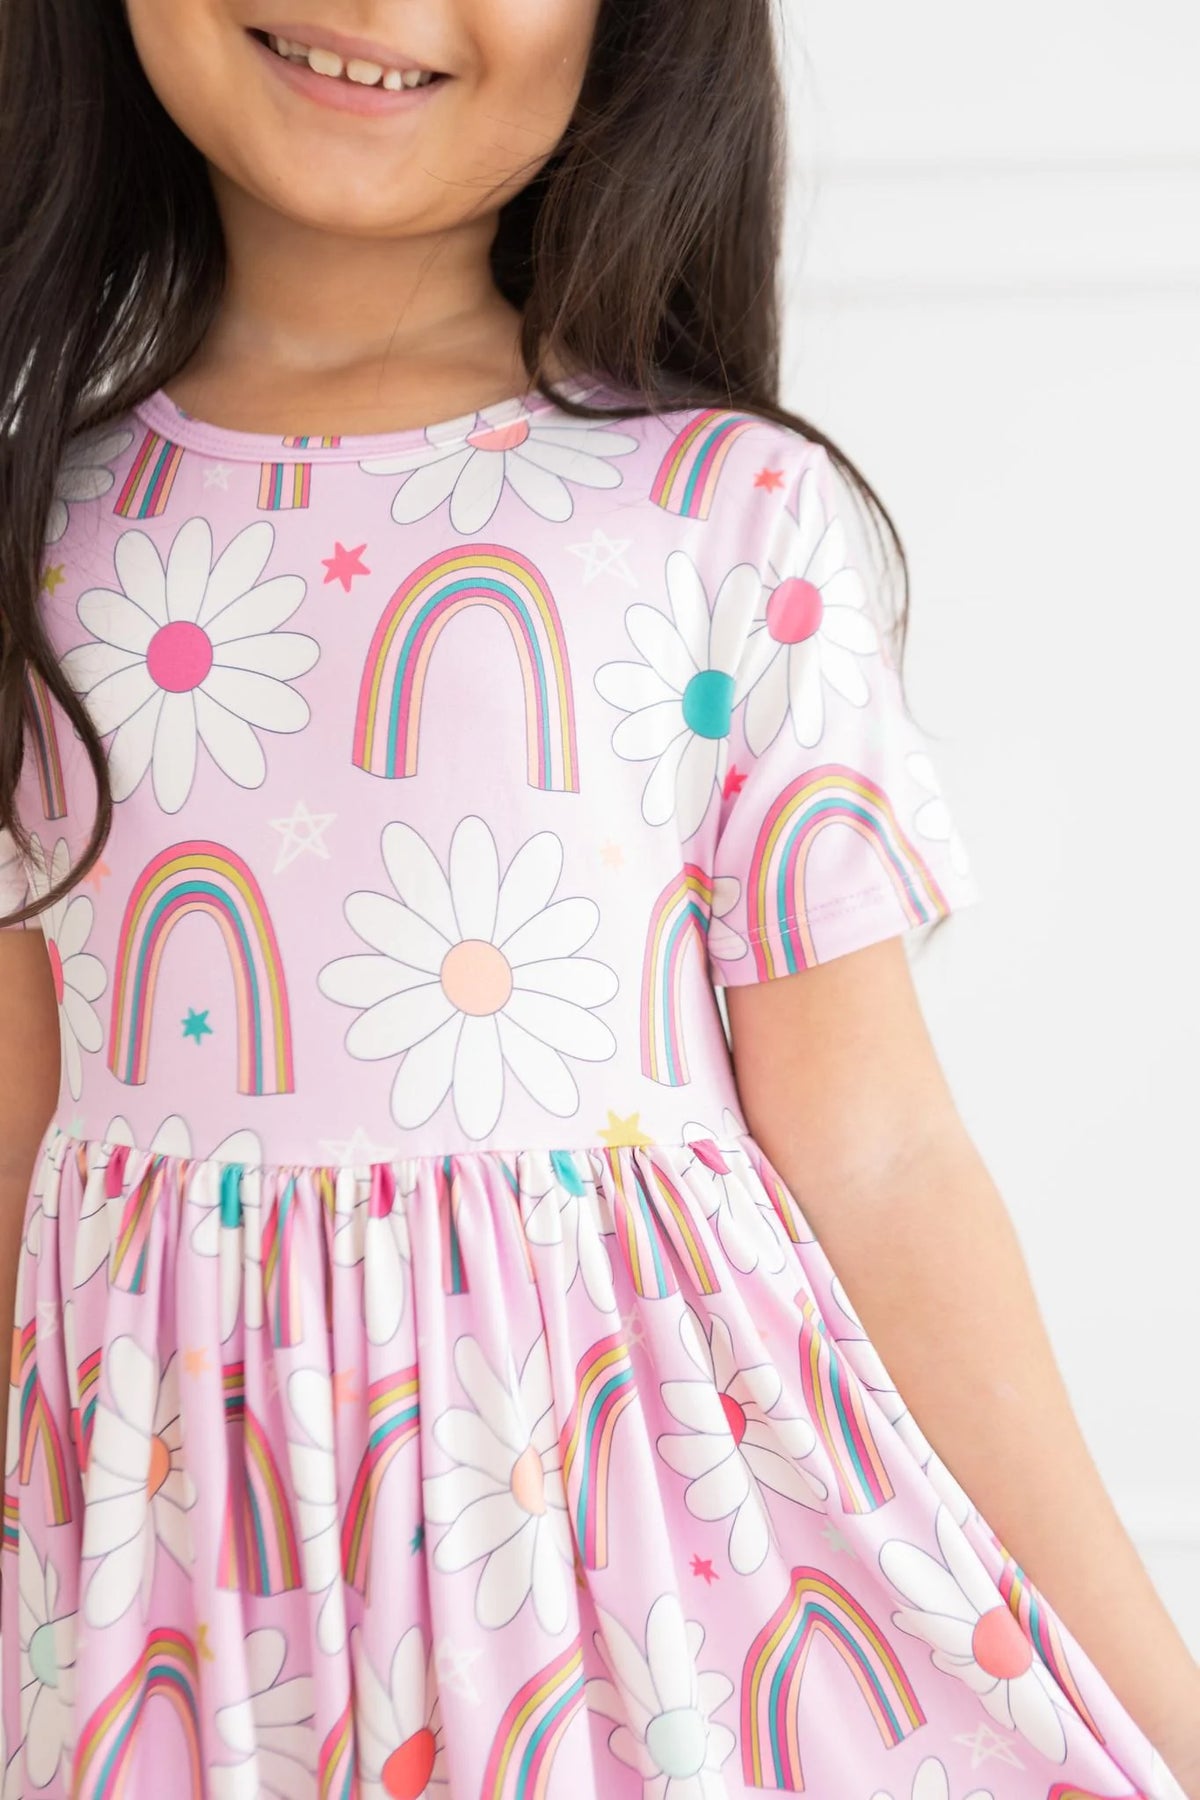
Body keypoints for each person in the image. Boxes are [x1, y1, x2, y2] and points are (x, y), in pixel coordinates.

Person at [0, 2, 1196, 1796]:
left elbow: (878, 1154)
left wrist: (1164, 1711)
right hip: (173, 1591)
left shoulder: (718, 512)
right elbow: (20, 1137)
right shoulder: (41, 534)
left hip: (638, 1597)